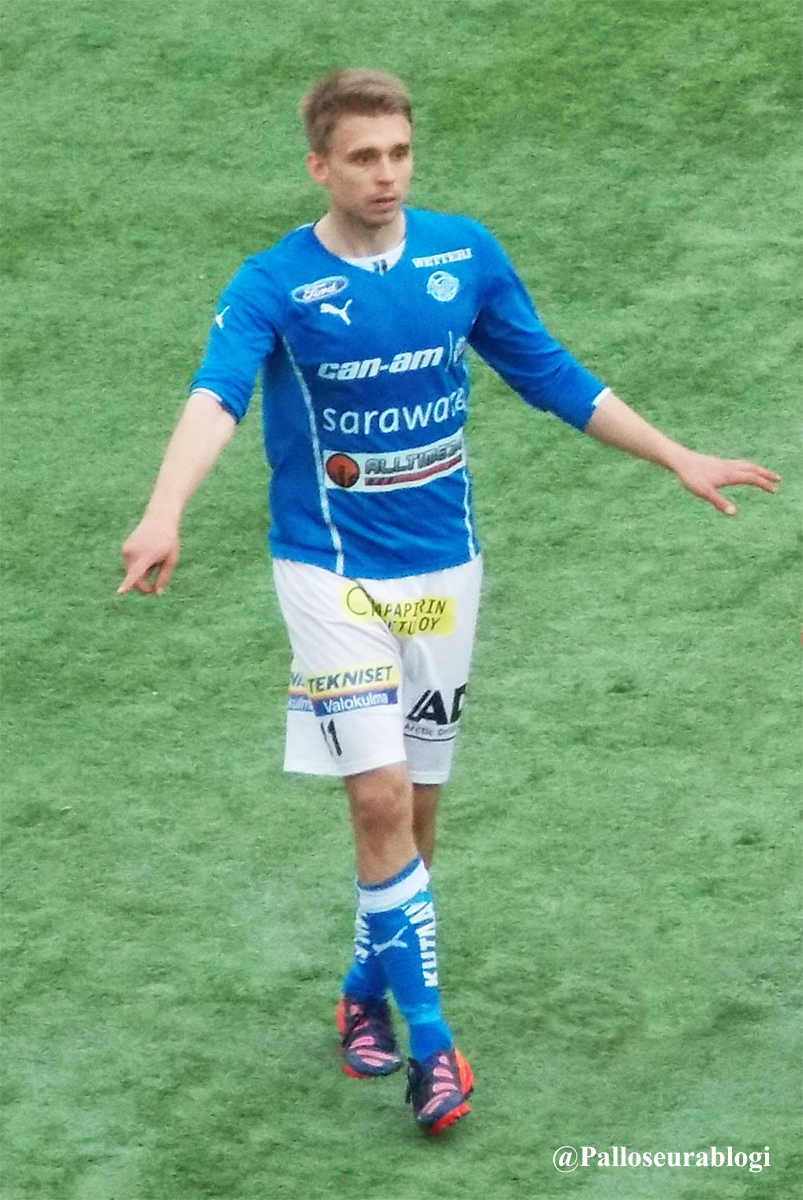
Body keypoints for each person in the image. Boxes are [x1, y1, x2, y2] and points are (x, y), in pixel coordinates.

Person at [118, 68, 779, 1136]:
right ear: (318, 166)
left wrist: (675, 455)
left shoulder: (461, 256)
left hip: (440, 579)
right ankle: (433, 1048)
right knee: (378, 800)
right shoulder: (274, 285)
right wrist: (165, 510)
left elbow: (549, 373)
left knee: (417, 814)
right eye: (362, 157)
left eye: (398, 153)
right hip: (330, 577)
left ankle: (363, 986)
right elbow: (216, 395)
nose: (385, 175)